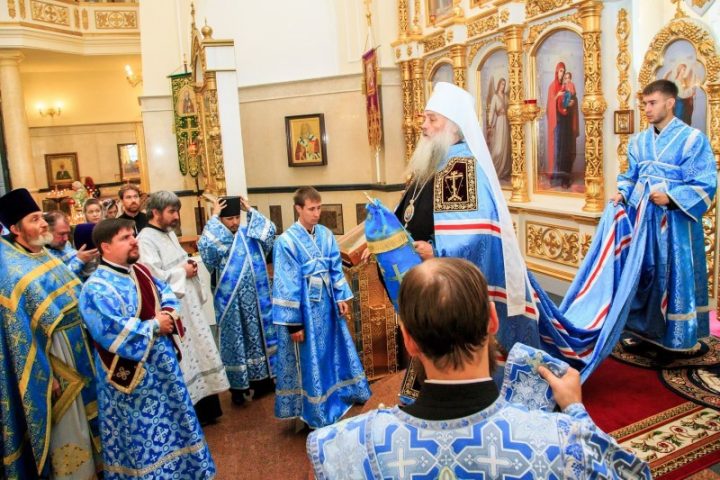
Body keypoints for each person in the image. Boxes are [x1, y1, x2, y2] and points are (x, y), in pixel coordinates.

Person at [307, 258, 652, 479]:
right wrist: (576, 411)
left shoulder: (345, 446)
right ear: (491, 320)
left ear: (408, 340)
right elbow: (635, 474)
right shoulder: (563, 441)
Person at [388, 81, 539, 351]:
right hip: (422, 276)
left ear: (453, 127)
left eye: (432, 119)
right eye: (424, 118)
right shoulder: (435, 161)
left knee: (446, 347)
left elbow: (474, 235)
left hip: (443, 282)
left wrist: (436, 252)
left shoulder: (461, 168)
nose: (423, 125)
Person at [79, 218, 216, 478]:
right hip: (132, 379)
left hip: (163, 371)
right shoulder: (95, 288)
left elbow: (167, 293)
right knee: (140, 437)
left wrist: (168, 312)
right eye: (125, 238)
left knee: (175, 425)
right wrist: (155, 325)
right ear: (105, 247)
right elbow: (110, 331)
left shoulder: (140, 271)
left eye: (133, 235)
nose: (134, 241)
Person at [0, 188, 101, 479]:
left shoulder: (45, 254)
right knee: (70, 428)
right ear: (16, 229)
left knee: (91, 420)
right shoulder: (11, 272)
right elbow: (19, 337)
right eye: (34, 219)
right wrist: (46, 375)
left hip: (80, 351)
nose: (43, 223)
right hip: (56, 362)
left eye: (42, 217)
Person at [612, 79, 716, 352]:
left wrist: (671, 197)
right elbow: (631, 176)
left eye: (652, 103)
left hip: (675, 223)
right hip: (642, 221)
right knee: (644, 273)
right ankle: (643, 330)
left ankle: (675, 336)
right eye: (644, 103)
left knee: (673, 274)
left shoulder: (692, 139)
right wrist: (622, 193)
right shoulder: (638, 141)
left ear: (670, 103)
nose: (646, 108)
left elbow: (705, 182)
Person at [272, 186, 371, 428]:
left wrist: (340, 298)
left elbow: (335, 268)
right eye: (311, 209)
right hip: (304, 310)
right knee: (310, 357)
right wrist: (293, 323)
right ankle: (314, 407)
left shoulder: (326, 234)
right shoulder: (286, 242)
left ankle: (339, 394)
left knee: (331, 352)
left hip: (327, 306)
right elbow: (286, 284)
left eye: (319, 208)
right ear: (298, 209)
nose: (317, 213)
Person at [137, 191, 229, 424]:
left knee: (198, 349)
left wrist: (189, 267)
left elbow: (175, 263)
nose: (176, 216)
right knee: (185, 356)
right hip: (174, 309)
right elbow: (151, 277)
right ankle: (192, 413)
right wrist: (182, 271)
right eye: (171, 212)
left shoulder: (168, 233)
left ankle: (208, 409)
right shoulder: (145, 240)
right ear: (155, 212)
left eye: (177, 211)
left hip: (189, 306)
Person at [198, 196, 277, 405]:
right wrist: (214, 217)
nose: (234, 222)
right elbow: (205, 247)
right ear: (220, 220)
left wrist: (250, 210)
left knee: (257, 339)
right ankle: (238, 389)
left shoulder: (248, 235)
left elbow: (269, 232)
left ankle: (263, 383)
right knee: (235, 340)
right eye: (229, 219)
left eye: (236, 217)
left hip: (256, 302)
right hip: (231, 303)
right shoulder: (218, 239)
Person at [44, 210, 99, 279]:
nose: (66, 238)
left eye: (67, 233)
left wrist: (89, 260)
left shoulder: (66, 244)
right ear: (46, 231)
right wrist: (78, 261)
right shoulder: (42, 254)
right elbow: (57, 281)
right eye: (61, 234)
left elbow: (82, 273)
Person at [554, 70, 580, 189]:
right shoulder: (561, 92)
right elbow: (556, 107)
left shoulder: (573, 94)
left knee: (568, 152)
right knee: (561, 151)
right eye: (565, 78)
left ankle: (566, 179)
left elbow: (573, 107)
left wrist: (571, 105)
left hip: (568, 127)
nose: (567, 80)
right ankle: (561, 178)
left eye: (568, 78)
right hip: (561, 126)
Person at [486, 77, 511, 182]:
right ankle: (494, 170)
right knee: (498, 148)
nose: (503, 86)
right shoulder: (495, 97)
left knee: (506, 147)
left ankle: (504, 172)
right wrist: (490, 123)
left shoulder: (506, 97)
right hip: (499, 122)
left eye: (504, 84)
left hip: (506, 122)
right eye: (501, 84)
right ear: (498, 84)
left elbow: (510, 108)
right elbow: (492, 111)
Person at [545, 61, 566, 180]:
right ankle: (554, 173)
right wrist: (557, 95)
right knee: (556, 147)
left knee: (562, 147)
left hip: (563, 119)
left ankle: (562, 173)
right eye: (560, 71)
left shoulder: (564, 85)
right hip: (555, 120)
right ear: (557, 72)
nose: (562, 73)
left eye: (563, 71)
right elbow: (550, 104)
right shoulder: (552, 86)